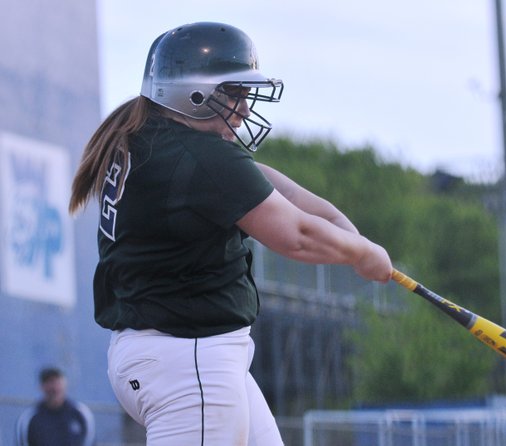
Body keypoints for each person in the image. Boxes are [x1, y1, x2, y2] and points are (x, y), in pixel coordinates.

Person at [68, 21, 392, 445]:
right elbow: (295, 235)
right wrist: (362, 256)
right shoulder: (197, 156)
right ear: (192, 91)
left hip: (178, 355)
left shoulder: (150, 136)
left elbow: (281, 191)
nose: (242, 107)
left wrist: (355, 239)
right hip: (187, 359)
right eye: (233, 93)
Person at [15, 367, 95, 446]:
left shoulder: (81, 414)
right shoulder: (30, 418)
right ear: (41, 387)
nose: (54, 388)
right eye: (49, 383)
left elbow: (90, 441)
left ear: (65, 384)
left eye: (57, 382)